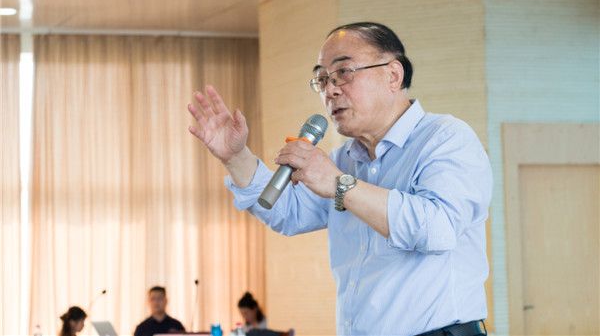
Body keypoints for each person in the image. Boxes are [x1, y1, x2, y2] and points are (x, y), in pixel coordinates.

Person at [188, 22, 492, 336]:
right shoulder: (343, 160)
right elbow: (288, 213)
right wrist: (235, 157)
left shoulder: (446, 139)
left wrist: (340, 185)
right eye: (322, 79)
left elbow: (438, 228)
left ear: (393, 75)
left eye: (344, 72)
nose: (330, 90)